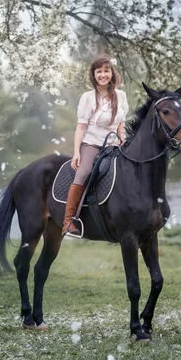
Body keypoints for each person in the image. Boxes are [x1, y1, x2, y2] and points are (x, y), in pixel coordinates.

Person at [62, 55, 129, 237]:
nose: (103, 75)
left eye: (106, 71)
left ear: (111, 73)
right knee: (83, 172)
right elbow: (81, 126)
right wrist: (77, 152)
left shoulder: (121, 96)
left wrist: (123, 138)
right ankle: (68, 222)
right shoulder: (88, 97)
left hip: (114, 145)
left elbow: (121, 124)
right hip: (92, 144)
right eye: (99, 71)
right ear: (94, 74)